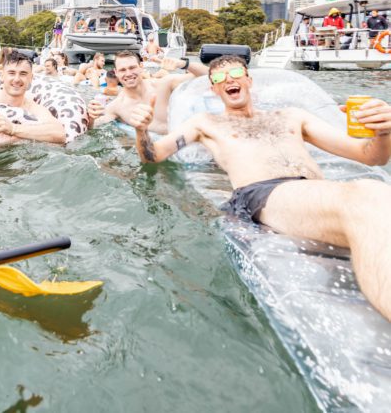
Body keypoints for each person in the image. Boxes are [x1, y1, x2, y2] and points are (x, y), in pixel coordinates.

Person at [129, 54, 391, 320]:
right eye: (219, 78)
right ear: (213, 89)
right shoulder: (206, 123)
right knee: (368, 195)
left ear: (249, 80)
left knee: (376, 199)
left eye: (235, 73)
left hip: (312, 197)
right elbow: (154, 155)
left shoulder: (291, 116)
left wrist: (382, 132)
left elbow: (371, 156)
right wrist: (142, 131)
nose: (228, 80)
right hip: (262, 196)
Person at [87, 50, 206, 134]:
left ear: (141, 66)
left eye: (132, 67)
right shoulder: (117, 106)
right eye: (122, 70)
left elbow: (210, 77)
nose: (128, 73)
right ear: (116, 72)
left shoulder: (163, 84)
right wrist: (91, 117)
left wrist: (183, 64)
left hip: (186, 142)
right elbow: (92, 129)